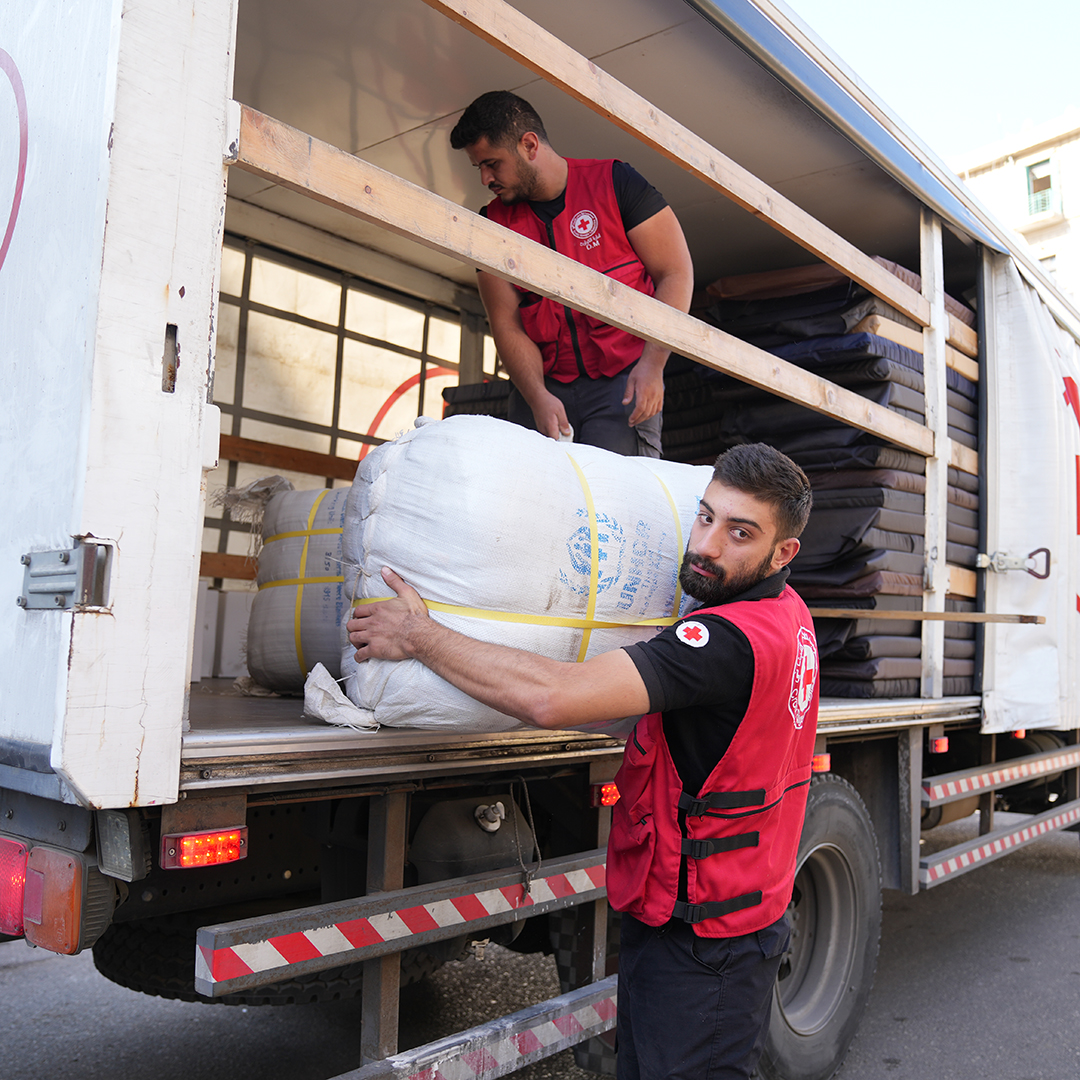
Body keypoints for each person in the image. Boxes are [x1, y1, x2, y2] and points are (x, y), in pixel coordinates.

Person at [346, 442, 820, 1080]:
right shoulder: (787, 615)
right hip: (729, 915)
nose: (707, 545)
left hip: (702, 940)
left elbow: (552, 697)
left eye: (740, 533)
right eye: (705, 517)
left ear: (783, 552)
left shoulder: (719, 644)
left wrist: (418, 635)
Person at [450, 91, 694, 457]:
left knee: (615, 502)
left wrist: (654, 363)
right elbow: (506, 323)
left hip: (623, 384)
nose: (485, 178)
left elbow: (675, 273)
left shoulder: (616, 183)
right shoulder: (492, 224)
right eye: (479, 168)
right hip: (542, 387)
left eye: (492, 164)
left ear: (529, 145)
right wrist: (536, 395)